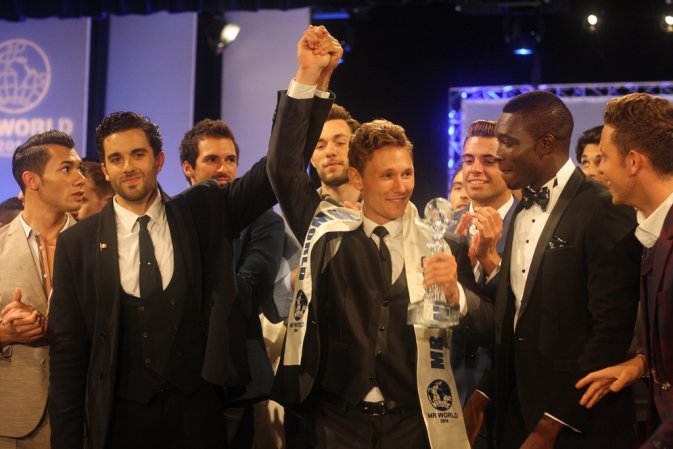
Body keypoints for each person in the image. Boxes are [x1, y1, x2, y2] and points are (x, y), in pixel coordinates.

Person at [268, 26, 483, 449]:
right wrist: (308, 77)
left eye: (407, 173)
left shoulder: (441, 242)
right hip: (335, 423)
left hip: (413, 425)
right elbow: (282, 168)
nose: (401, 187)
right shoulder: (327, 231)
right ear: (357, 178)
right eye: (387, 175)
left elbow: (490, 326)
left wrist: (457, 294)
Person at [48, 111, 277, 449]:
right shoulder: (76, 244)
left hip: (198, 421)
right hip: (119, 427)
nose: (128, 167)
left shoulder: (200, 213)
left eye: (138, 154)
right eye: (116, 158)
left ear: (159, 161)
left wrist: (304, 88)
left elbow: (276, 171)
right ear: (105, 170)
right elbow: (68, 358)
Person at [462, 90, 642, 449]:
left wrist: (554, 422)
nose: (498, 154)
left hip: (581, 426)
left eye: (509, 143)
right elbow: (516, 318)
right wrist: (485, 391)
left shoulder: (605, 208)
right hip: (517, 417)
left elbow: (611, 331)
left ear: (546, 144)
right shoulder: (519, 209)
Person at [575, 93, 673, 449]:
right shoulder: (652, 234)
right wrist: (641, 364)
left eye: (603, 158)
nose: (598, 171)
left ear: (633, 162)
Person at [179, 118, 284, 448]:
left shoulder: (265, 221)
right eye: (212, 159)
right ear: (188, 168)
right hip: (176, 378)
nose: (223, 168)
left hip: (233, 381)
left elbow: (246, 294)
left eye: (230, 159)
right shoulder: (170, 217)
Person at [0, 130, 84, 448]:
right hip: (11, 423)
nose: (80, 179)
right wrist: (4, 333)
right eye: (67, 169)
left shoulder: (101, 246)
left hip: (84, 419)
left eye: (79, 169)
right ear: (32, 180)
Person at [449, 119, 518, 449]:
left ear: (507, 164)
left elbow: (529, 313)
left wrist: (491, 261)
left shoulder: (530, 223)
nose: (475, 170)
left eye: (488, 160)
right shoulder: (442, 229)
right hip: (447, 386)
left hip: (509, 391)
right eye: (468, 160)